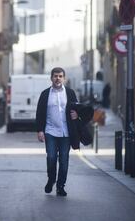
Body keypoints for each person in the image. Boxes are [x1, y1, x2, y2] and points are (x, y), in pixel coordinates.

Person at [36, 67, 80, 197]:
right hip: (50, 131)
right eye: (55, 76)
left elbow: (77, 108)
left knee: (64, 160)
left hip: (66, 133)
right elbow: (39, 113)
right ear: (51, 78)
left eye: (60, 76)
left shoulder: (70, 93)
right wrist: (40, 130)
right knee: (51, 157)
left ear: (64, 78)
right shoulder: (45, 94)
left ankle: (60, 186)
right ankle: (51, 180)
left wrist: (76, 115)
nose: (58, 78)